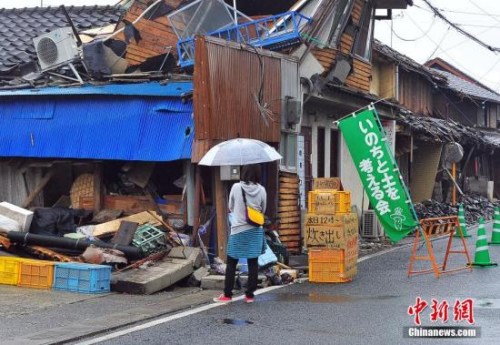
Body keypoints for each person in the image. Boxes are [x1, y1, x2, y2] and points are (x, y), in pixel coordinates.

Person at [213, 164, 267, 304]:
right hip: (255, 230)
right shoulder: (261, 190)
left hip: (238, 230)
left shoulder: (236, 187)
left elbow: (230, 206)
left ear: (244, 172)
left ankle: (227, 295)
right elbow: (263, 208)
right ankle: (249, 295)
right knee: (253, 262)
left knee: (231, 263)